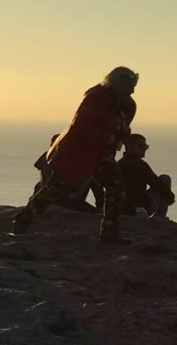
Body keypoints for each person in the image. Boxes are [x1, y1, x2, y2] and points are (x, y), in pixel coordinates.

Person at [12, 67, 140, 244]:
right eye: (129, 86)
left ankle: (109, 232)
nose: (132, 90)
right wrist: (108, 136)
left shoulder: (126, 105)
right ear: (118, 84)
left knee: (116, 187)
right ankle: (23, 220)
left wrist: (118, 137)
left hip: (101, 156)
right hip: (78, 156)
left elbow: (121, 128)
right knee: (54, 191)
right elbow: (82, 127)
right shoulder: (96, 98)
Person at [118, 133, 174, 220]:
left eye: (145, 147)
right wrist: (170, 196)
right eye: (141, 146)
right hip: (138, 209)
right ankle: (160, 216)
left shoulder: (119, 164)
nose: (144, 149)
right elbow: (155, 182)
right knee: (165, 178)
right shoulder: (139, 164)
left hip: (121, 209)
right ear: (130, 147)